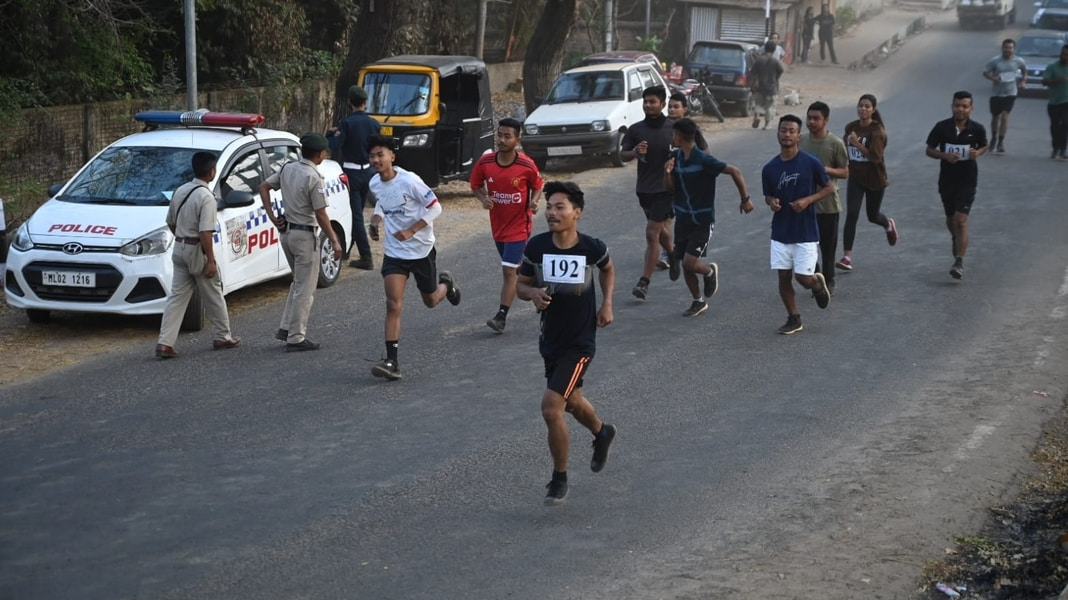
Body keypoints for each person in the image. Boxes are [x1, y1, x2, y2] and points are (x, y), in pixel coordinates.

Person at [515, 181, 616, 506]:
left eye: (560, 207)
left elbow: (608, 269)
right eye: (550, 207)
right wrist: (533, 294)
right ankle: (602, 432)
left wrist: (607, 303)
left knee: (551, 407)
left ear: (577, 213)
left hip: (580, 342)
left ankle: (559, 478)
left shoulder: (591, 247)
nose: (552, 213)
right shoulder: (536, 247)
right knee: (571, 402)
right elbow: (521, 285)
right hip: (551, 340)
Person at [367, 134, 461, 380]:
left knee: (430, 300)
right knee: (393, 304)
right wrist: (376, 220)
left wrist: (412, 230)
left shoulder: (410, 181)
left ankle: (447, 285)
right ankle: (392, 362)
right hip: (395, 253)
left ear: (392, 157)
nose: (376, 160)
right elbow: (383, 202)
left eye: (381, 155)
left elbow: (436, 207)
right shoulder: (375, 183)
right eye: (372, 156)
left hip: (420, 250)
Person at [258, 133, 343, 352]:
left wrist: (271, 216)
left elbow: (264, 187)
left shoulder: (288, 168)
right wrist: (334, 240)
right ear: (319, 154)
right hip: (305, 235)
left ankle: (286, 327)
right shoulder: (314, 177)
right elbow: (321, 214)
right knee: (306, 288)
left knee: (297, 282)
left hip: (286, 232)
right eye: (324, 151)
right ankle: (296, 337)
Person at [664, 118, 753, 317]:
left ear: (679, 136)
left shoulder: (704, 159)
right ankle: (698, 301)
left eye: (673, 134)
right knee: (685, 262)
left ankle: (709, 272)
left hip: (703, 220)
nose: (672, 137)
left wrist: (745, 199)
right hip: (683, 219)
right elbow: (669, 187)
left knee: (689, 262)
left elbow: (734, 171)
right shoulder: (675, 157)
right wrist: (668, 172)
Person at [155, 151, 240, 358]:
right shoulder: (207, 197)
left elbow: (170, 221)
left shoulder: (181, 190)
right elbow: (205, 232)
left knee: (176, 298)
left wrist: (182, 238)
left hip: (180, 248)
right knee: (214, 293)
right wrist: (210, 260)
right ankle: (223, 336)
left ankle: (165, 342)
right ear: (212, 172)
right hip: (197, 250)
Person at [470, 117, 544, 333]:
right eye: (499, 135)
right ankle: (541, 288)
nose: (501, 140)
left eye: (507, 136)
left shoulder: (526, 165)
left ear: (517, 140)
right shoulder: (485, 163)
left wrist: (534, 201)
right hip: (498, 227)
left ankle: (501, 316)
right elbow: (475, 185)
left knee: (508, 271)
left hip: (520, 226)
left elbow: (538, 185)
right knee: (518, 268)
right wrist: (483, 198)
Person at [762, 114, 833, 335]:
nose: (787, 135)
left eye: (792, 131)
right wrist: (771, 202)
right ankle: (794, 318)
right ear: (778, 134)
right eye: (784, 130)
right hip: (781, 231)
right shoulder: (770, 168)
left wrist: (808, 200)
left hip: (805, 230)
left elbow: (829, 188)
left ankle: (817, 284)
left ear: (798, 136)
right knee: (783, 276)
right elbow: (768, 195)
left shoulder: (811, 163)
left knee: (802, 277)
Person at [925, 91, 989, 280]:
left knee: (961, 220)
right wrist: (945, 156)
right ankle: (956, 238)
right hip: (947, 180)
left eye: (964, 106)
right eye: (957, 105)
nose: (960, 109)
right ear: (952, 106)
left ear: (971, 108)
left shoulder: (977, 129)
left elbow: (984, 145)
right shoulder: (942, 127)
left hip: (968, 179)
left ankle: (959, 261)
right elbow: (929, 149)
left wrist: (977, 152)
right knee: (951, 219)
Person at [621, 85, 676, 300]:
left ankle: (644, 282)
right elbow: (622, 154)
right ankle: (672, 254)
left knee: (651, 233)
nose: (648, 105)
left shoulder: (674, 128)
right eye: (645, 102)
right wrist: (634, 152)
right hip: (644, 189)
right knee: (660, 230)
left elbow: (694, 150)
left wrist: (676, 158)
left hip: (666, 188)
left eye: (653, 102)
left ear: (662, 104)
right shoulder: (636, 130)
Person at [836, 94, 896, 272]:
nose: (863, 109)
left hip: (874, 179)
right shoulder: (851, 127)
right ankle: (847, 257)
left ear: (873, 110)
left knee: (872, 215)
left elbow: (876, 158)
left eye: (867, 106)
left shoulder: (877, 131)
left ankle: (888, 224)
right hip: (856, 177)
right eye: (860, 105)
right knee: (852, 214)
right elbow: (844, 148)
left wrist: (857, 143)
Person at [799, 101, 849, 296]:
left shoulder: (835, 143)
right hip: (804, 204)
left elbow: (845, 172)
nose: (811, 122)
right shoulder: (800, 140)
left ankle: (828, 281)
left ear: (826, 120)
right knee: (806, 247)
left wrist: (823, 169)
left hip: (828, 206)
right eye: (809, 118)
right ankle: (816, 278)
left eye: (816, 118)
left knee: (827, 249)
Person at [328, 85, 381, 270]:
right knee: (357, 212)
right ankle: (348, 248)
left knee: (356, 215)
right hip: (368, 170)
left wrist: (330, 134)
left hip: (351, 172)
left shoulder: (347, 123)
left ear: (350, 102)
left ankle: (366, 256)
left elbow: (335, 144)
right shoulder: (374, 124)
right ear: (365, 103)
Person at [983, 39, 1027, 154]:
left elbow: (1024, 71)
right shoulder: (995, 61)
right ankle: (993, 137)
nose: (1008, 50)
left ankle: (1001, 142)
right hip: (996, 93)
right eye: (1006, 47)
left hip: (1010, 93)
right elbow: (985, 72)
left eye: (1010, 48)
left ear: (1014, 49)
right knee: (995, 117)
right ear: (1002, 48)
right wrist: (993, 78)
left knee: (1005, 116)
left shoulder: (1019, 61)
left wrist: (1023, 81)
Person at [750, 41, 784, 130]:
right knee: (770, 106)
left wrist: (754, 81)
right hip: (771, 87)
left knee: (758, 103)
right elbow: (781, 71)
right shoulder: (775, 61)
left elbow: (752, 72)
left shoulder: (759, 60)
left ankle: (757, 117)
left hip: (760, 86)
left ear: (765, 49)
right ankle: (766, 125)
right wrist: (776, 78)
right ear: (774, 50)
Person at [1042, 44, 1068, 160]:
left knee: (1065, 124)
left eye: (1067, 55)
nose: (1064, 57)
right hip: (1054, 102)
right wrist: (1058, 79)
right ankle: (1055, 148)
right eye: (1063, 54)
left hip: (1066, 101)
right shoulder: (1052, 66)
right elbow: (1045, 82)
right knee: (1055, 126)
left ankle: (1063, 149)